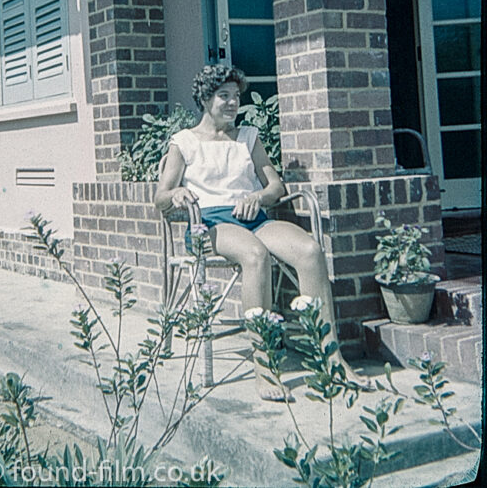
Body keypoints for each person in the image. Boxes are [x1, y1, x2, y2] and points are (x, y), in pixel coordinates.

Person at [155, 64, 366, 400]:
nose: (231, 103)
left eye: (235, 96)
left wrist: (257, 197)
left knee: (309, 251)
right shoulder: (184, 143)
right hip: (209, 223)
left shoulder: (248, 138)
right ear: (206, 99)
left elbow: (276, 186)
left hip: (252, 217)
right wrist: (176, 194)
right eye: (223, 96)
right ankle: (266, 369)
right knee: (255, 255)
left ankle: (331, 359)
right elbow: (161, 197)